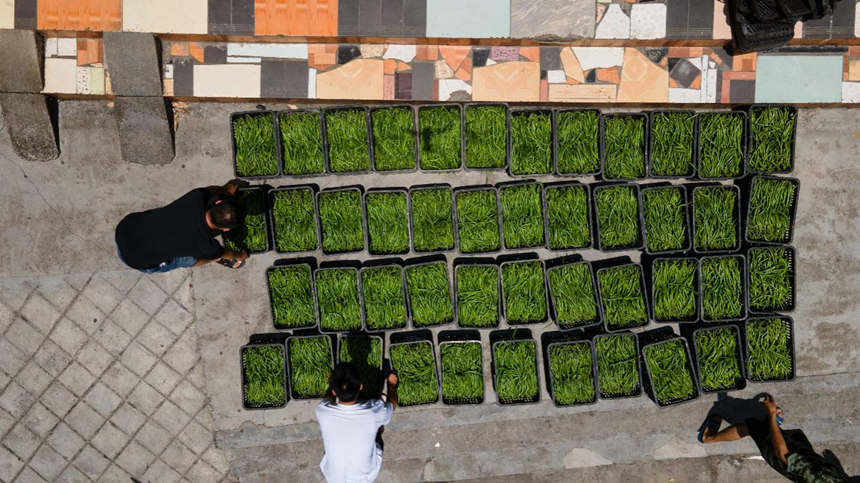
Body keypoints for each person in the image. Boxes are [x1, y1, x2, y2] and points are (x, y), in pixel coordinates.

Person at [699, 395, 850, 482]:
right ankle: (773, 426)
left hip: (781, 455)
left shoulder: (819, 477)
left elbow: (782, 453)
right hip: (806, 456)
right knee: (795, 433)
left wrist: (771, 413)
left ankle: (709, 438)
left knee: (751, 427)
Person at [115, 180, 249, 273]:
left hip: (125, 229)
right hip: (136, 260)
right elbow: (227, 253)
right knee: (191, 259)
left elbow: (211, 190)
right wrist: (240, 255)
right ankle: (217, 261)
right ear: (226, 229)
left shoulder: (196, 198)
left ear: (218, 202)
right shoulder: (208, 246)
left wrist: (226, 189)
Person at [316, 363, 398, 483]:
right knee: (379, 426)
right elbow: (392, 404)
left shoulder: (322, 410)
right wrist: (392, 384)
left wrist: (331, 384)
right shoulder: (373, 413)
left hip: (337, 476)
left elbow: (328, 398)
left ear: (334, 392)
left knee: (375, 421)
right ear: (360, 386)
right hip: (363, 476)